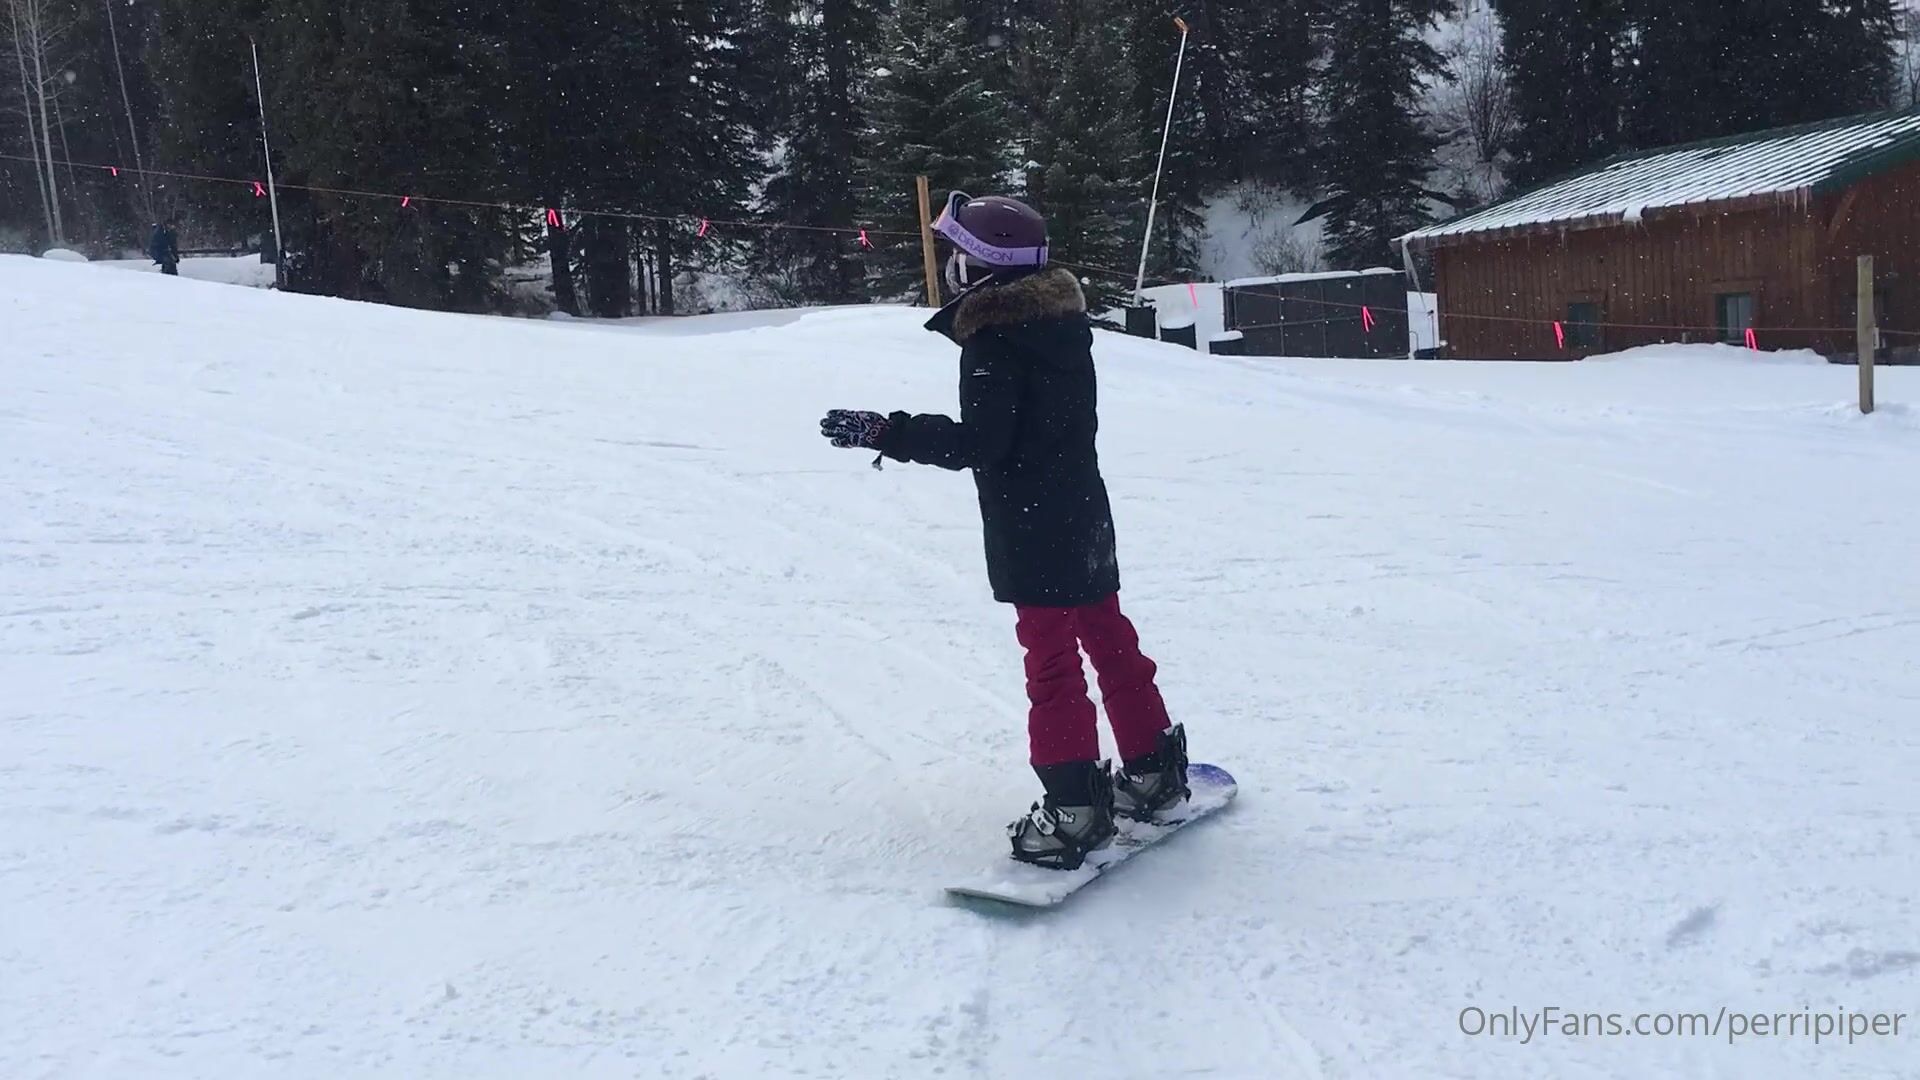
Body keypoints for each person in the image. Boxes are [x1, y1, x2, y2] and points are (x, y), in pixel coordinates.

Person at [819, 192, 1188, 871]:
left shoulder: (994, 342)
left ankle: (1074, 811)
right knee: (1109, 637)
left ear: (984, 266)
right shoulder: (1060, 326)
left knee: (1052, 663)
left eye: (960, 256)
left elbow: (981, 444)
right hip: (1083, 511)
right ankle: (1152, 770)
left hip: (1033, 524)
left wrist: (887, 431)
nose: (952, 268)